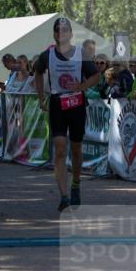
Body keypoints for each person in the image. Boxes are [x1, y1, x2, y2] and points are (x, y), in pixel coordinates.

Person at [34, 16, 101, 211]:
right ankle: (64, 196)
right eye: (57, 30)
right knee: (61, 148)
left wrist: (82, 85)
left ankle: (76, 184)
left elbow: (96, 75)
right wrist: (41, 97)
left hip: (77, 103)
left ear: (71, 34)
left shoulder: (81, 53)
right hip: (57, 103)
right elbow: (37, 72)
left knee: (76, 149)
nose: (61, 33)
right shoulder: (47, 55)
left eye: (65, 30)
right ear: (54, 34)